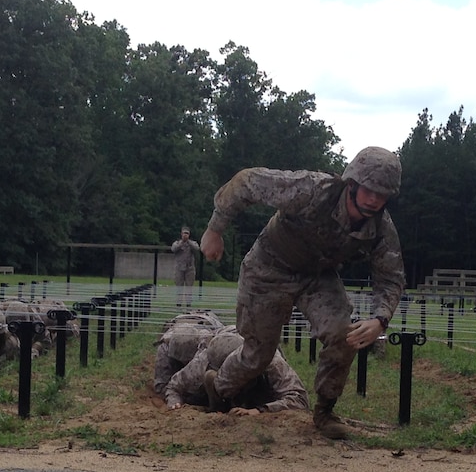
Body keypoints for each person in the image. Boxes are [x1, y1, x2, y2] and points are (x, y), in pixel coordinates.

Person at [199, 146, 405, 439]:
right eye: (369, 190)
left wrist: (380, 319)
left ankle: (325, 412)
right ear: (352, 183)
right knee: (259, 354)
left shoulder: (381, 228)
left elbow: (391, 277)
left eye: (382, 194)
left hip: (317, 277)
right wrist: (215, 230)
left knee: (343, 335)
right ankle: (218, 387)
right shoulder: (312, 190)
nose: (373, 200)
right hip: (269, 268)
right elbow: (247, 182)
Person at [165, 331, 308, 414]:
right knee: (207, 382)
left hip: (260, 389)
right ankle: (219, 405)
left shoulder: (270, 361)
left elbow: (300, 399)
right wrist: (175, 403)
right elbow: (173, 386)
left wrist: (260, 410)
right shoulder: (202, 361)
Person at [153, 310, 225, 395]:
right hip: (180, 322)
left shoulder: (207, 346)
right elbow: (161, 386)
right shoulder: (165, 347)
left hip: (209, 322)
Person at [171, 225, 200, 308]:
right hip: (179, 268)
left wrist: (188, 242)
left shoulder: (192, 243)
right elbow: (173, 249)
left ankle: (188, 303)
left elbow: (197, 248)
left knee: (189, 286)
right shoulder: (177, 243)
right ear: (181, 234)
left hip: (189, 268)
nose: (185, 235)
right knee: (179, 286)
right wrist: (181, 243)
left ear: (189, 235)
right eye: (184, 233)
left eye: (187, 233)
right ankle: (178, 303)